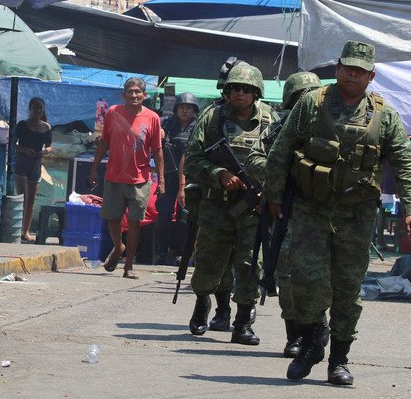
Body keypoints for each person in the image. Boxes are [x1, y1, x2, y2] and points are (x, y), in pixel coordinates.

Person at [263, 41, 411, 385]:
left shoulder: (384, 115)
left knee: (348, 288)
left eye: (361, 70)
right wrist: (273, 194)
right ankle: (311, 339)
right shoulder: (311, 103)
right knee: (303, 279)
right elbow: (282, 148)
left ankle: (339, 360)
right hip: (311, 206)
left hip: (357, 213)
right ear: (337, 68)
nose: (353, 74)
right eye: (348, 67)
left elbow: (405, 162)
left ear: (371, 75)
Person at [183, 62, 278, 345]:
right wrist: (218, 173)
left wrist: (269, 192)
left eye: (247, 90)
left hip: (253, 207)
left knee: (250, 264)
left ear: (256, 93)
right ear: (227, 91)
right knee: (209, 260)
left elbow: (280, 160)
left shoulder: (270, 120)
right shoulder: (211, 118)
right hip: (217, 205)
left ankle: (243, 322)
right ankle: (203, 302)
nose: (240, 94)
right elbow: (193, 160)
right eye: (235, 88)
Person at [245, 71, 329, 358]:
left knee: (322, 275)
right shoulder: (279, 129)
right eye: (300, 98)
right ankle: (294, 334)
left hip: (322, 212)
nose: (307, 102)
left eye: (312, 96)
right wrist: (280, 170)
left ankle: (318, 322)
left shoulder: (331, 127)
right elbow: (253, 158)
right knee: (286, 274)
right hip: (287, 211)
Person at [90, 77, 164, 280]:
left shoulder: (152, 118)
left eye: (137, 92)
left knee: (134, 223)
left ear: (144, 95)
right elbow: (104, 142)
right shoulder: (113, 112)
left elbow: (157, 150)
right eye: (130, 92)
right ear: (124, 95)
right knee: (112, 219)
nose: (134, 95)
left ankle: (128, 266)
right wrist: (94, 168)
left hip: (140, 178)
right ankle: (118, 246)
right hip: (114, 175)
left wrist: (162, 179)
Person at [157, 92, 198, 263]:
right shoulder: (168, 124)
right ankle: (161, 251)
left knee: (185, 216)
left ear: (194, 109)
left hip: (189, 178)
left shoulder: (198, 127)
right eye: (182, 107)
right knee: (164, 213)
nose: (185, 111)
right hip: (168, 176)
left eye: (188, 107)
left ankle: (181, 252)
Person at [14, 97, 53, 242]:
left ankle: (26, 231)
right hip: (22, 161)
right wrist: (25, 150)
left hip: (36, 163)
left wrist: (44, 152)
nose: (38, 111)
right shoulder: (22, 125)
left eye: (40, 108)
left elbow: (50, 146)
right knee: (22, 197)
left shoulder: (47, 127)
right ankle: (17, 229)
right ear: (29, 109)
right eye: (35, 108)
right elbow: (13, 144)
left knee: (31, 199)